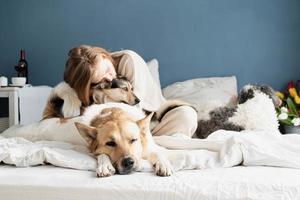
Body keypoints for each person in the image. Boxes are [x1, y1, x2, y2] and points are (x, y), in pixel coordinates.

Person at [61, 45, 197, 137]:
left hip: (154, 122)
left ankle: (148, 146)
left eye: (107, 70)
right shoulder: (88, 86)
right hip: (116, 132)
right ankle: (150, 147)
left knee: (187, 115)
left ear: (104, 56)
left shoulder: (128, 60)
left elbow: (135, 107)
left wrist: (99, 95)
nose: (110, 77)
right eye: (101, 80)